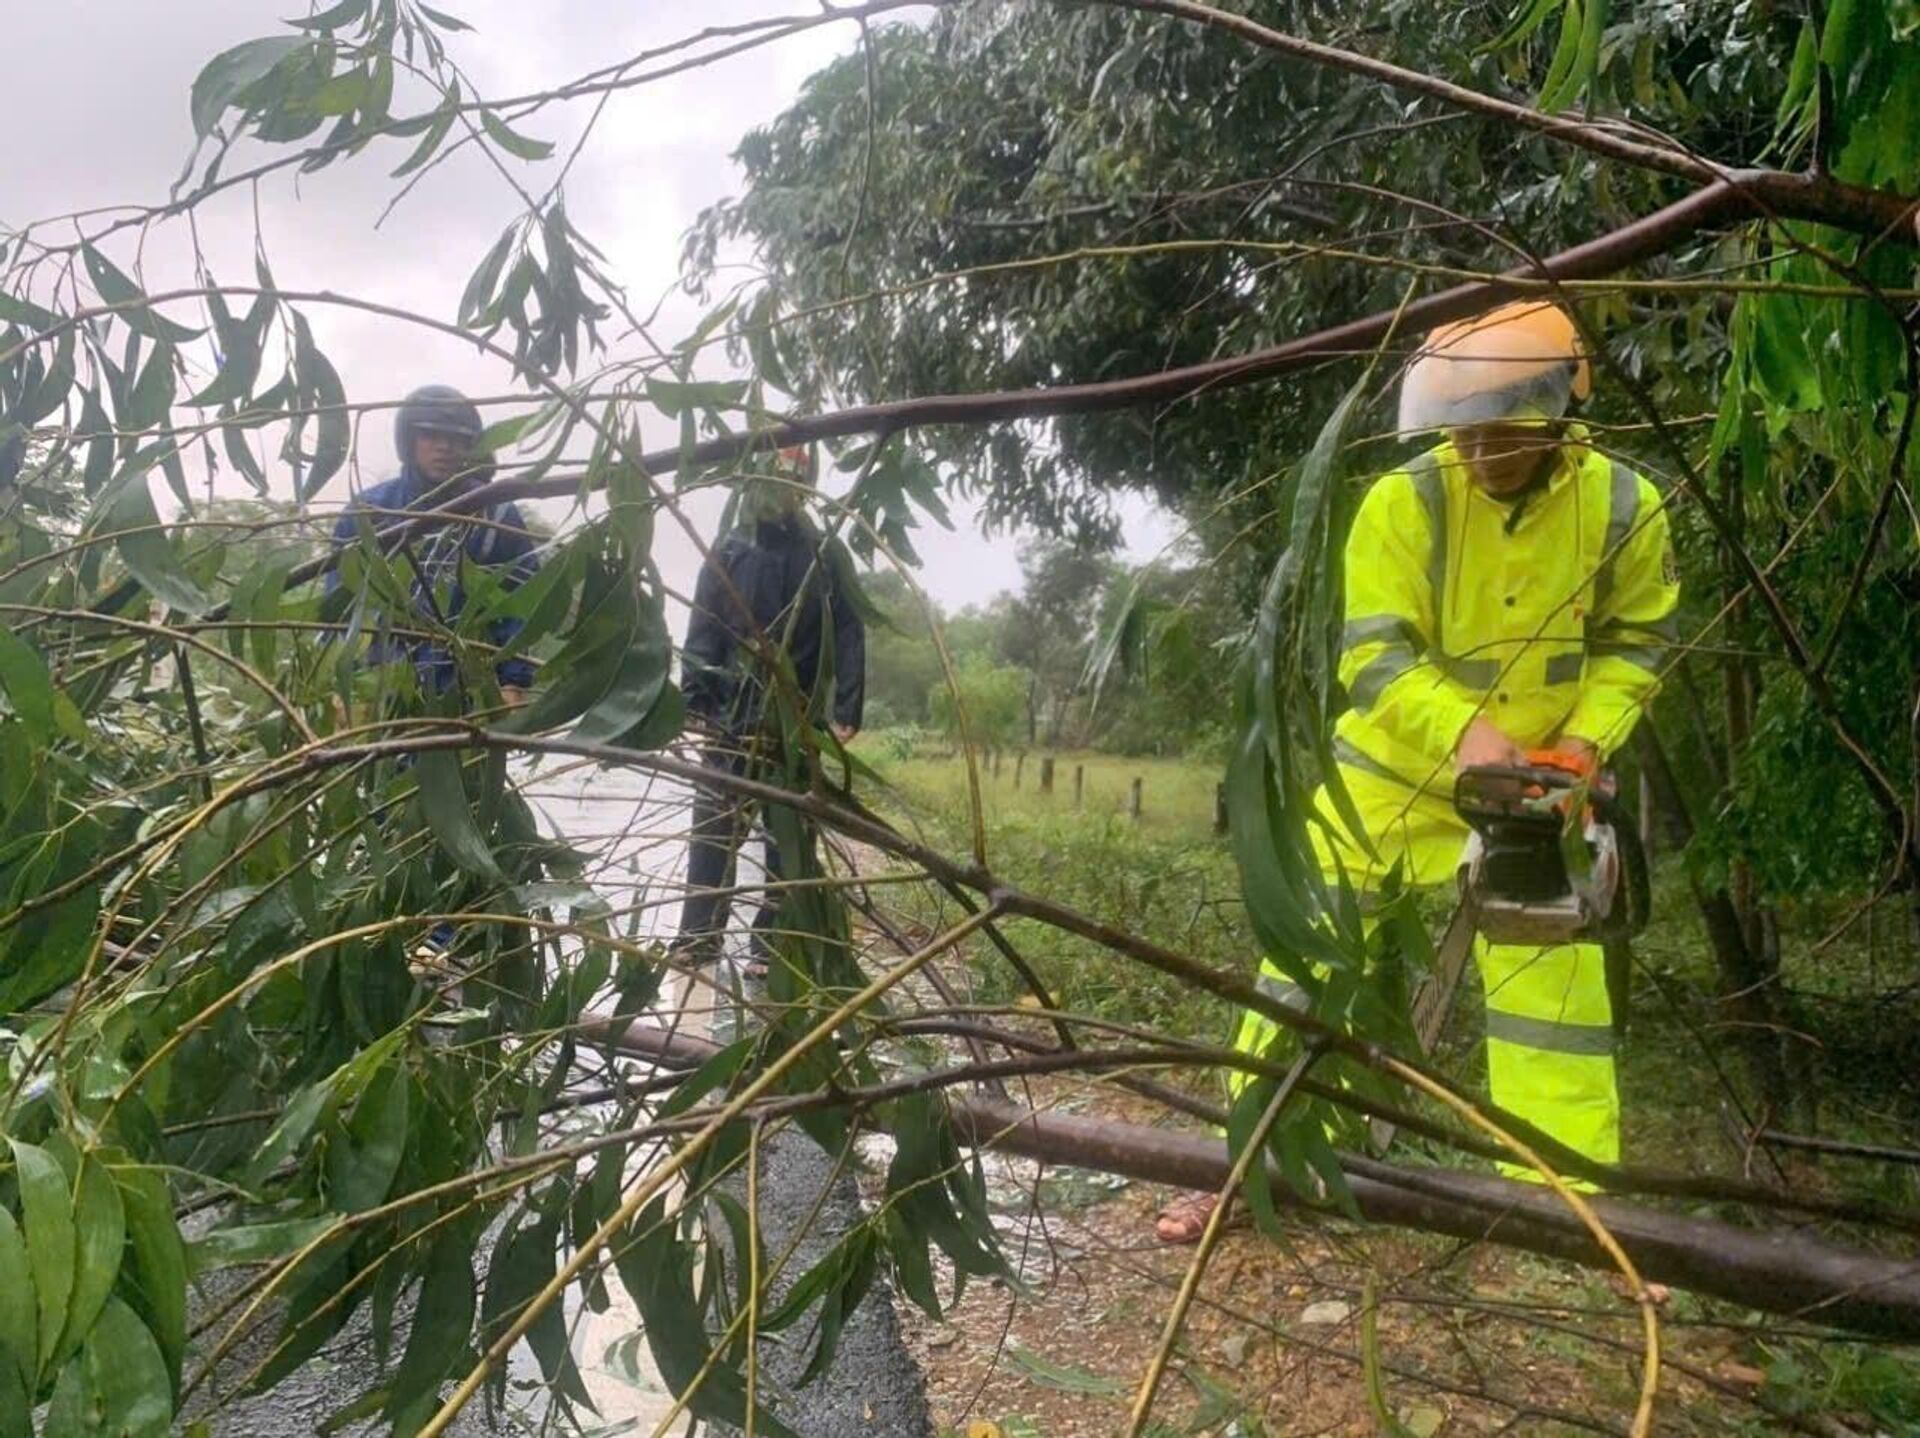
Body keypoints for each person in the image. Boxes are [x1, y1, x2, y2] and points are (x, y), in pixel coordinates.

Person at [1155, 300, 1680, 1243]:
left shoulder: (1625, 506)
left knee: (1549, 999)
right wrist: (1463, 729)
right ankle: (1251, 1166)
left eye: (1504, 432)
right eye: (1466, 432)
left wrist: (1589, 739)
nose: (1482, 453)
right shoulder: (1401, 502)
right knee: (1307, 960)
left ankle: (1565, 1214)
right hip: (1392, 776)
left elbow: (1639, 641)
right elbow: (1377, 657)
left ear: (1564, 407)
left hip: (1538, 791)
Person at [675, 442, 866, 969]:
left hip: (796, 716)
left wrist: (847, 704)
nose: (782, 491)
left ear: (805, 487)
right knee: (715, 825)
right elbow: (704, 622)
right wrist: (696, 694)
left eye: (794, 481)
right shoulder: (732, 547)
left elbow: (849, 628)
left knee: (790, 831)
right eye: (774, 479)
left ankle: (772, 939)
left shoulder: (823, 553)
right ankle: (699, 935)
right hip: (730, 715)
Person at [325, 383, 540, 703]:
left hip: (467, 689)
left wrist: (513, 683)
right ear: (409, 441)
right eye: (431, 436)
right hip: (381, 689)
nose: (444, 447)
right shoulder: (369, 514)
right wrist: (343, 689)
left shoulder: (495, 514)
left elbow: (521, 603)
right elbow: (341, 607)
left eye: (456, 439)